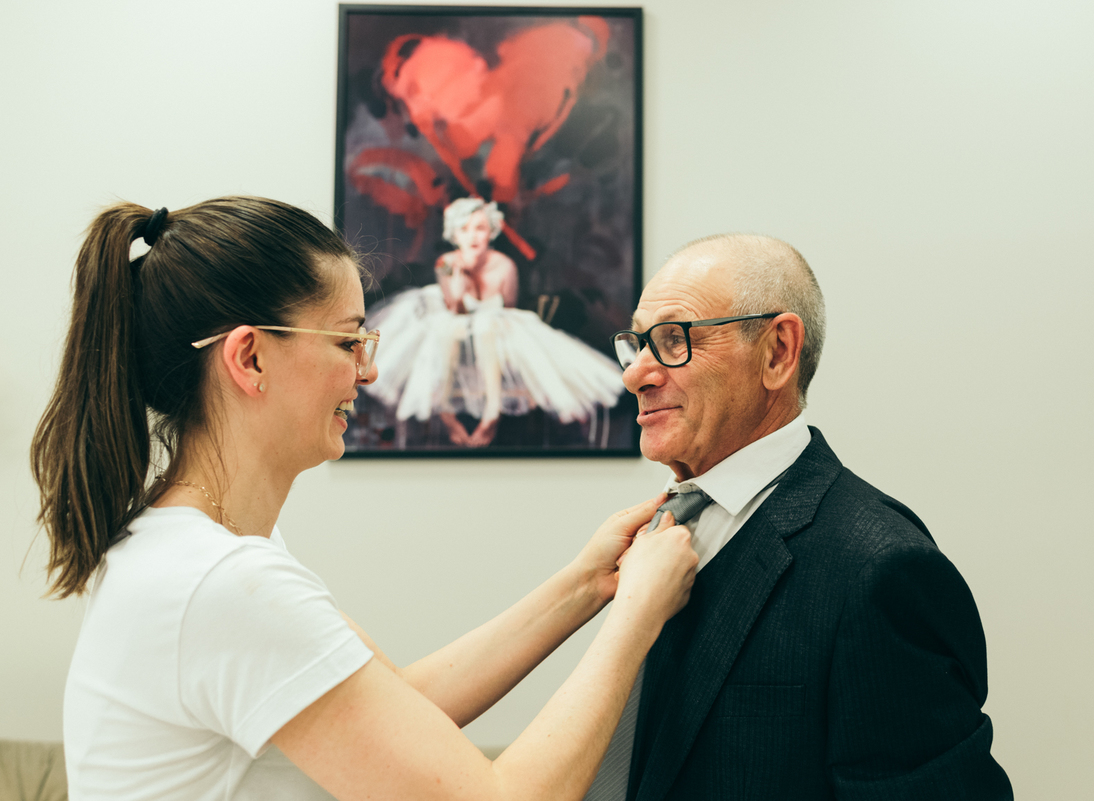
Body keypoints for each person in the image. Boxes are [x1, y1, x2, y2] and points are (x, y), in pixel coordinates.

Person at [30, 196, 698, 801]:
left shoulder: (196, 547)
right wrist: (637, 612)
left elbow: (402, 702)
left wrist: (587, 582)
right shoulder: (221, 583)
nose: (370, 369)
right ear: (250, 359)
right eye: (350, 340)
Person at [587, 234, 1013, 800]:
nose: (635, 374)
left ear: (777, 352)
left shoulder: (879, 569)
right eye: (636, 343)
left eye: (672, 339)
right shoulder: (651, 538)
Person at [365, 197, 626, 448]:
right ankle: (446, 414)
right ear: (454, 235)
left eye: (480, 228)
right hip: (452, 325)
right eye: (464, 230)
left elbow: (507, 310)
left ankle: (492, 412)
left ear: (491, 231)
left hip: (491, 333)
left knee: (488, 325)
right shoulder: (446, 263)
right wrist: (459, 279)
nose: (473, 236)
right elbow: (454, 307)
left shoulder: (505, 266)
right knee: (448, 329)